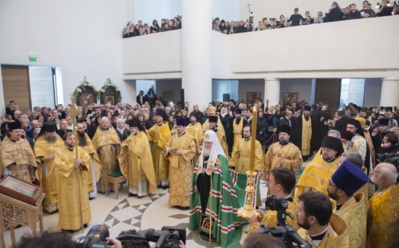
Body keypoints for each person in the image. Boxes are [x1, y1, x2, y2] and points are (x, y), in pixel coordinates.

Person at [189, 130, 243, 248]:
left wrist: (216, 170)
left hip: (214, 188)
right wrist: (196, 182)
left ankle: (213, 232)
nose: (207, 145)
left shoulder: (220, 157)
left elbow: (225, 174)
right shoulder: (202, 155)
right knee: (203, 205)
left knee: (212, 208)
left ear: (214, 143)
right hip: (202, 186)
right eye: (205, 142)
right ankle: (204, 229)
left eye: (209, 143)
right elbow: (197, 169)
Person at [54, 132, 91, 231]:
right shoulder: (59, 152)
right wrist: (72, 166)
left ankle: (83, 221)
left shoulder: (80, 150)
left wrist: (82, 162)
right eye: (70, 139)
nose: (73, 141)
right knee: (69, 203)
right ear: (65, 140)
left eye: (74, 139)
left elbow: (87, 158)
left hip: (79, 179)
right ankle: (69, 225)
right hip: (67, 182)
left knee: (81, 200)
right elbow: (57, 165)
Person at [327, 161, 369, 248]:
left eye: (330, 184)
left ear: (340, 192)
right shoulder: (352, 202)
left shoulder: (345, 218)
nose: (327, 186)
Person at [248, 167, 299, 233]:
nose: (268, 183)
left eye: (270, 181)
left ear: (278, 187)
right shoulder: (296, 204)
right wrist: (264, 218)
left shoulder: (273, 215)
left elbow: (260, 240)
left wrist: (253, 224)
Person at [118, 118, 156, 198]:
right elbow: (126, 143)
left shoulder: (142, 135)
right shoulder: (131, 136)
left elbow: (144, 148)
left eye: (133, 128)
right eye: (130, 128)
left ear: (137, 128)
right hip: (132, 159)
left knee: (139, 175)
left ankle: (141, 192)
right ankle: (133, 191)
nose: (131, 130)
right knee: (132, 174)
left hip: (140, 160)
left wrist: (137, 151)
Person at [34, 121, 65, 213]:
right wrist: (44, 157)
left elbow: (64, 150)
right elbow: (36, 154)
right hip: (46, 167)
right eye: (49, 133)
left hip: (58, 166)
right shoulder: (39, 140)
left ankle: (60, 205)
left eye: (53, 132)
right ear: (45, 132)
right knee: (48, 184)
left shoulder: (59, 138)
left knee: (60, 184)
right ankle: (49, 206)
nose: (51, 134)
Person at [367, 162, 399, 247]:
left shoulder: (384, 200)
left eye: (375, 173)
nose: (372, 174)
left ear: (383, 178)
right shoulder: (393, 188)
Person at [165, 118, 196, 207]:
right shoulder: (173, 137)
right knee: (175, 183)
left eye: (180, 127)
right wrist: (170, 151)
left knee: (185, 183)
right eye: (177, 127)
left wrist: (181, 152)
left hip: (185, 165)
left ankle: (185, 203)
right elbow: (167, 146)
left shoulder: (190, 138)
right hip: (174, 164)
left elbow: (192, 150)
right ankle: (175, 202)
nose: (178, 128)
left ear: (184, 127)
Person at [92, 117, 121, 192]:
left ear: (109, 123)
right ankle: (104, 188)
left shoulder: (113, 131)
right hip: (102, 155)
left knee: (113, 169)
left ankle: (113, 187)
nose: (104, 124)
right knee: (103, 171)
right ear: (100, 124)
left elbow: (117, 142)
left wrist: (116, 150)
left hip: (112, 155)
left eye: (106, 122)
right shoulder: (97, 133)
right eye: (103, 123)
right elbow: (95, 144)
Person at [76, 121, 101, 199]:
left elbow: (91, 147)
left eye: (82, 128)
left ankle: (91, 194)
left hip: (88, 160)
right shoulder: (74, 137)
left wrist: (92, 154)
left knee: (91, 178)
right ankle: (83, 195)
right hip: (79, 162)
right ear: (76, 129)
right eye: (79, 128)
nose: (81, 129)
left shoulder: (86, 135)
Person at [147, 108, 171, 188]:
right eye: (156, 116)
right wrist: (153, 137)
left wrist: (159, 139)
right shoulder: (153, 127)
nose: (156, 118)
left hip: (163, 149)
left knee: (163, 165)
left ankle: (164, 182)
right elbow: (149, 135)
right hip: (155, 149)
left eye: (158, 116)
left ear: (162, 118)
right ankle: (157, 181)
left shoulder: (166, 126)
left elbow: (168, 138)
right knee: (156, 164)